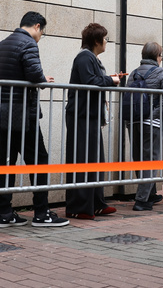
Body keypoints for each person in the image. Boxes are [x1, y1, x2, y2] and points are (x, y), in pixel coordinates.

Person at [0, 11, 68, 228]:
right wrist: (43, 79)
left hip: (4, 111)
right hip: (24, 113)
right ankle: (41, 212)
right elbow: (34, 74)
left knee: (6, 162)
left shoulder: (2, 44)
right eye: (42, 32)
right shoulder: (29, 44)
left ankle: (4, 213)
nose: (40, 36)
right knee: (39, 161)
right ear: (37, 26)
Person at [65, 23, 120, 219]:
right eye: (105, 38)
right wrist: (111, 80)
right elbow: (90, 82)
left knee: (95, 159)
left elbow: (94, 80)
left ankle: (96, 203)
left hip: (89, 115)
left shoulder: (90, 57)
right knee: (83, 159)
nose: (106, 42)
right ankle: (78, 207)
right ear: (97, 41)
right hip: (81, 115)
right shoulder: (84, 57)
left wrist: (108, 79)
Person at [127, 42, 163, 211]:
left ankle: (150, 194)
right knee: (151, 160)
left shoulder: (133, 74)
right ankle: (141, 201)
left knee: (140, 159)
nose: (161, 58)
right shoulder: (161, 72)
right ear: (156, 56)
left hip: (133, 122)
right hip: (152, 122)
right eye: (161, 55)